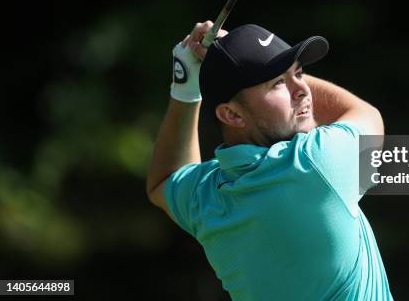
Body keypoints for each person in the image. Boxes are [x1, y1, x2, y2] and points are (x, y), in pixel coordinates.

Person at [146, 21, 393, 300]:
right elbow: (368, 116)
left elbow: (164, 179)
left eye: (299, 73)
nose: (301, 90)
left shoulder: (207, 198)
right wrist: (223, 66)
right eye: (277, 83)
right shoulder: (314, 164)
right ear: (232, 115)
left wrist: (186, 88)